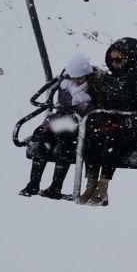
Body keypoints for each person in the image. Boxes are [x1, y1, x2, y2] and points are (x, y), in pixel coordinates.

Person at [78, 37, 137, 206]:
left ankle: (103, 185)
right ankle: (91, 182)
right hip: (116, 121)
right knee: (94, 136)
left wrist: (128, 121)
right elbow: (103, 100)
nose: (114, 63)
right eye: (111, 58)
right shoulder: (110, 77)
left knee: (113, 139)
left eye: (119, 59)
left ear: (130, 58)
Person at [19, 53, 94, 199]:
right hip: (64, 121)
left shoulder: (93, 88)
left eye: (81, 79)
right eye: (75, 79)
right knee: (43, 142)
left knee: (64, 147)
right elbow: (60, 108)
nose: (78, 82)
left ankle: (56, 186)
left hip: (80, 127)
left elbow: (89, 110)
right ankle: (33, 184)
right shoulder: (65, 85)